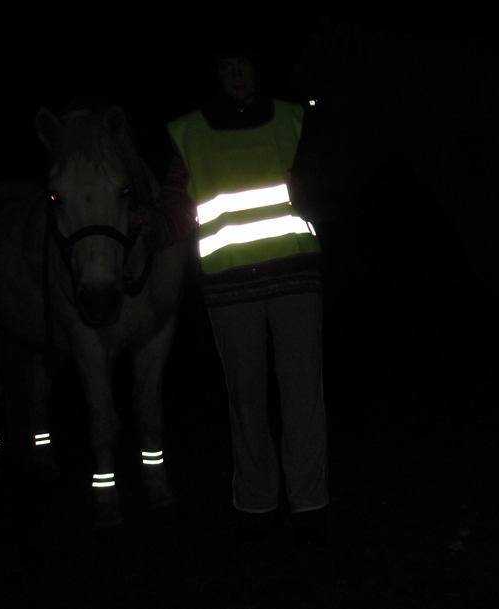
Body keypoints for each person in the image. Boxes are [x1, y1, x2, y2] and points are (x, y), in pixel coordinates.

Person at [137, 41, 328, 546]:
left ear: (259, 69)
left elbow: (330, 187)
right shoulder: (190, 132)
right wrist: (148, 225)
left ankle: (310, 504)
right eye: (227, 66)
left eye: (245, 64)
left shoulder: (297, 120)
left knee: (303, 394)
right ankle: (257, 504)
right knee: (246, 400)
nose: (237, 74)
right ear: (216, 73)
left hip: (296, 279)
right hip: (230, 287)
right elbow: (176, 209)